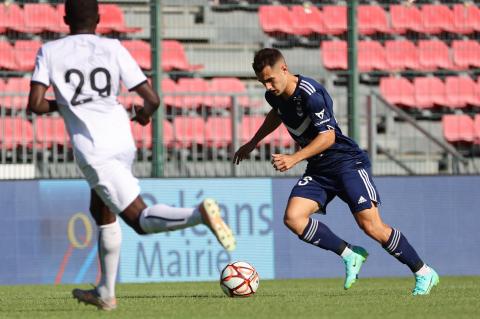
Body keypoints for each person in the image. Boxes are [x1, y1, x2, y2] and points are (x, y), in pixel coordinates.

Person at [27, 0, 236, 311]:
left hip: (94, 148)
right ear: (98, 19)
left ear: (65, 18)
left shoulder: (50, 51)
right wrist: (144, 114)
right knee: (101, 210)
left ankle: (198, 214)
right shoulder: (113, 47)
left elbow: (35, 103)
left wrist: (68, 103)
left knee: (139, 219)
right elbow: (152, 98)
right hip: (121, 136)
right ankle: (105, 293)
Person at [233, 48, 439, 295]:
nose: (267, 86)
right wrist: (253, 141)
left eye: (270, 80)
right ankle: (350, 254)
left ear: (284, 69)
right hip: (319, 168)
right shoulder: (274, 96)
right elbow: (277, 114)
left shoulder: (311, 94)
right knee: (293, 219)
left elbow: (328, 137)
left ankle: (423, 272)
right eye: (262, 82)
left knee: (372, 226)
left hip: (346, 163)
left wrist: (294, 158)